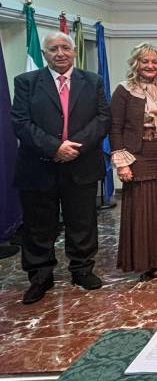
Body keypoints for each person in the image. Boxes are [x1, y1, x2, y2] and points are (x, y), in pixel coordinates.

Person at [11, 32, 110, 304]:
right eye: (53, 49)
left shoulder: (93, 81)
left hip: (81, 163)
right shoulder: (27, 82)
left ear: (74, 51)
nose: (60, 53)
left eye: (65, 47)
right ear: (44, 54)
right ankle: (40, 276)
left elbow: (103, 119)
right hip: (38, 165)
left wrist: (73, 147)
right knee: (38, 226)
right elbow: (20, 122)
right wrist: (55, 147)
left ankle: (81, 269)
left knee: (82, 222)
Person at [110, 43, 157, 281]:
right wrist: (122, 163)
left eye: (154, 62)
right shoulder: (124, 90)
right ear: (136, 63)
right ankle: (148, 262)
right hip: (138, 157)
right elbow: (115, 128)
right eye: (145, 61)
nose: (150, 66)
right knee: (145, 211)